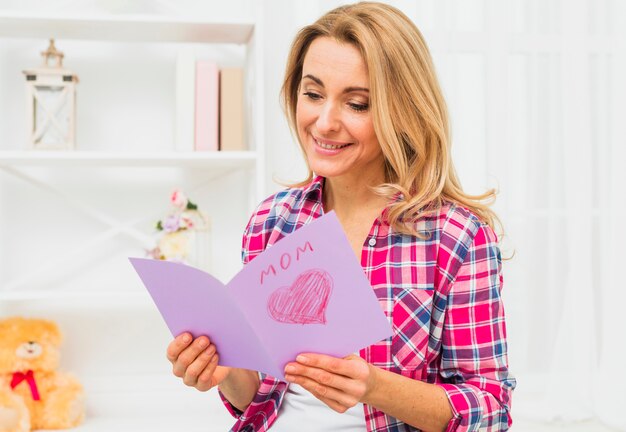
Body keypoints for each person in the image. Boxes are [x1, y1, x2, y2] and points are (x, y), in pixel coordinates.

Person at [166, 2, 516, 431]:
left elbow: (491, 410)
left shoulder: (455, 237)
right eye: (313, 94)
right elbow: (262, 397)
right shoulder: (271, 222)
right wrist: (223, 374)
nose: (325, 122)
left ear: (402, 112)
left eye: (357, 104)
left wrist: (374, 387)